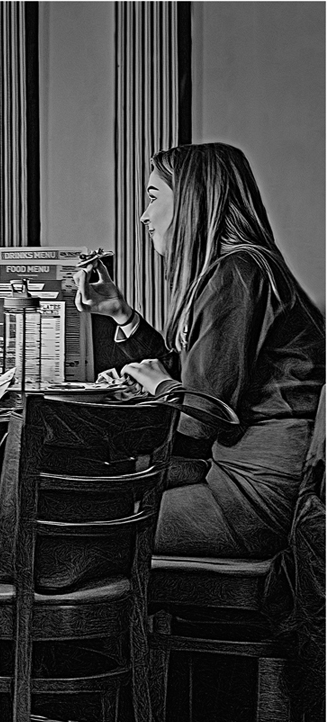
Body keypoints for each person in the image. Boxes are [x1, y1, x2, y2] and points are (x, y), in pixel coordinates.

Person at [74, 142, 324, 559]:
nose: (144, 216)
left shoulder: (236, 274)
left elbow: (199, 421)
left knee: (76, 529)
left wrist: (162, 388)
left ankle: (7, 593)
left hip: (252, 496)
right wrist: (121, 314)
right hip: (237, 473)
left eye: (154, 198)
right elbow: (195, 379)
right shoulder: (241, 269)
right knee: (86, 491)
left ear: (192, 202)